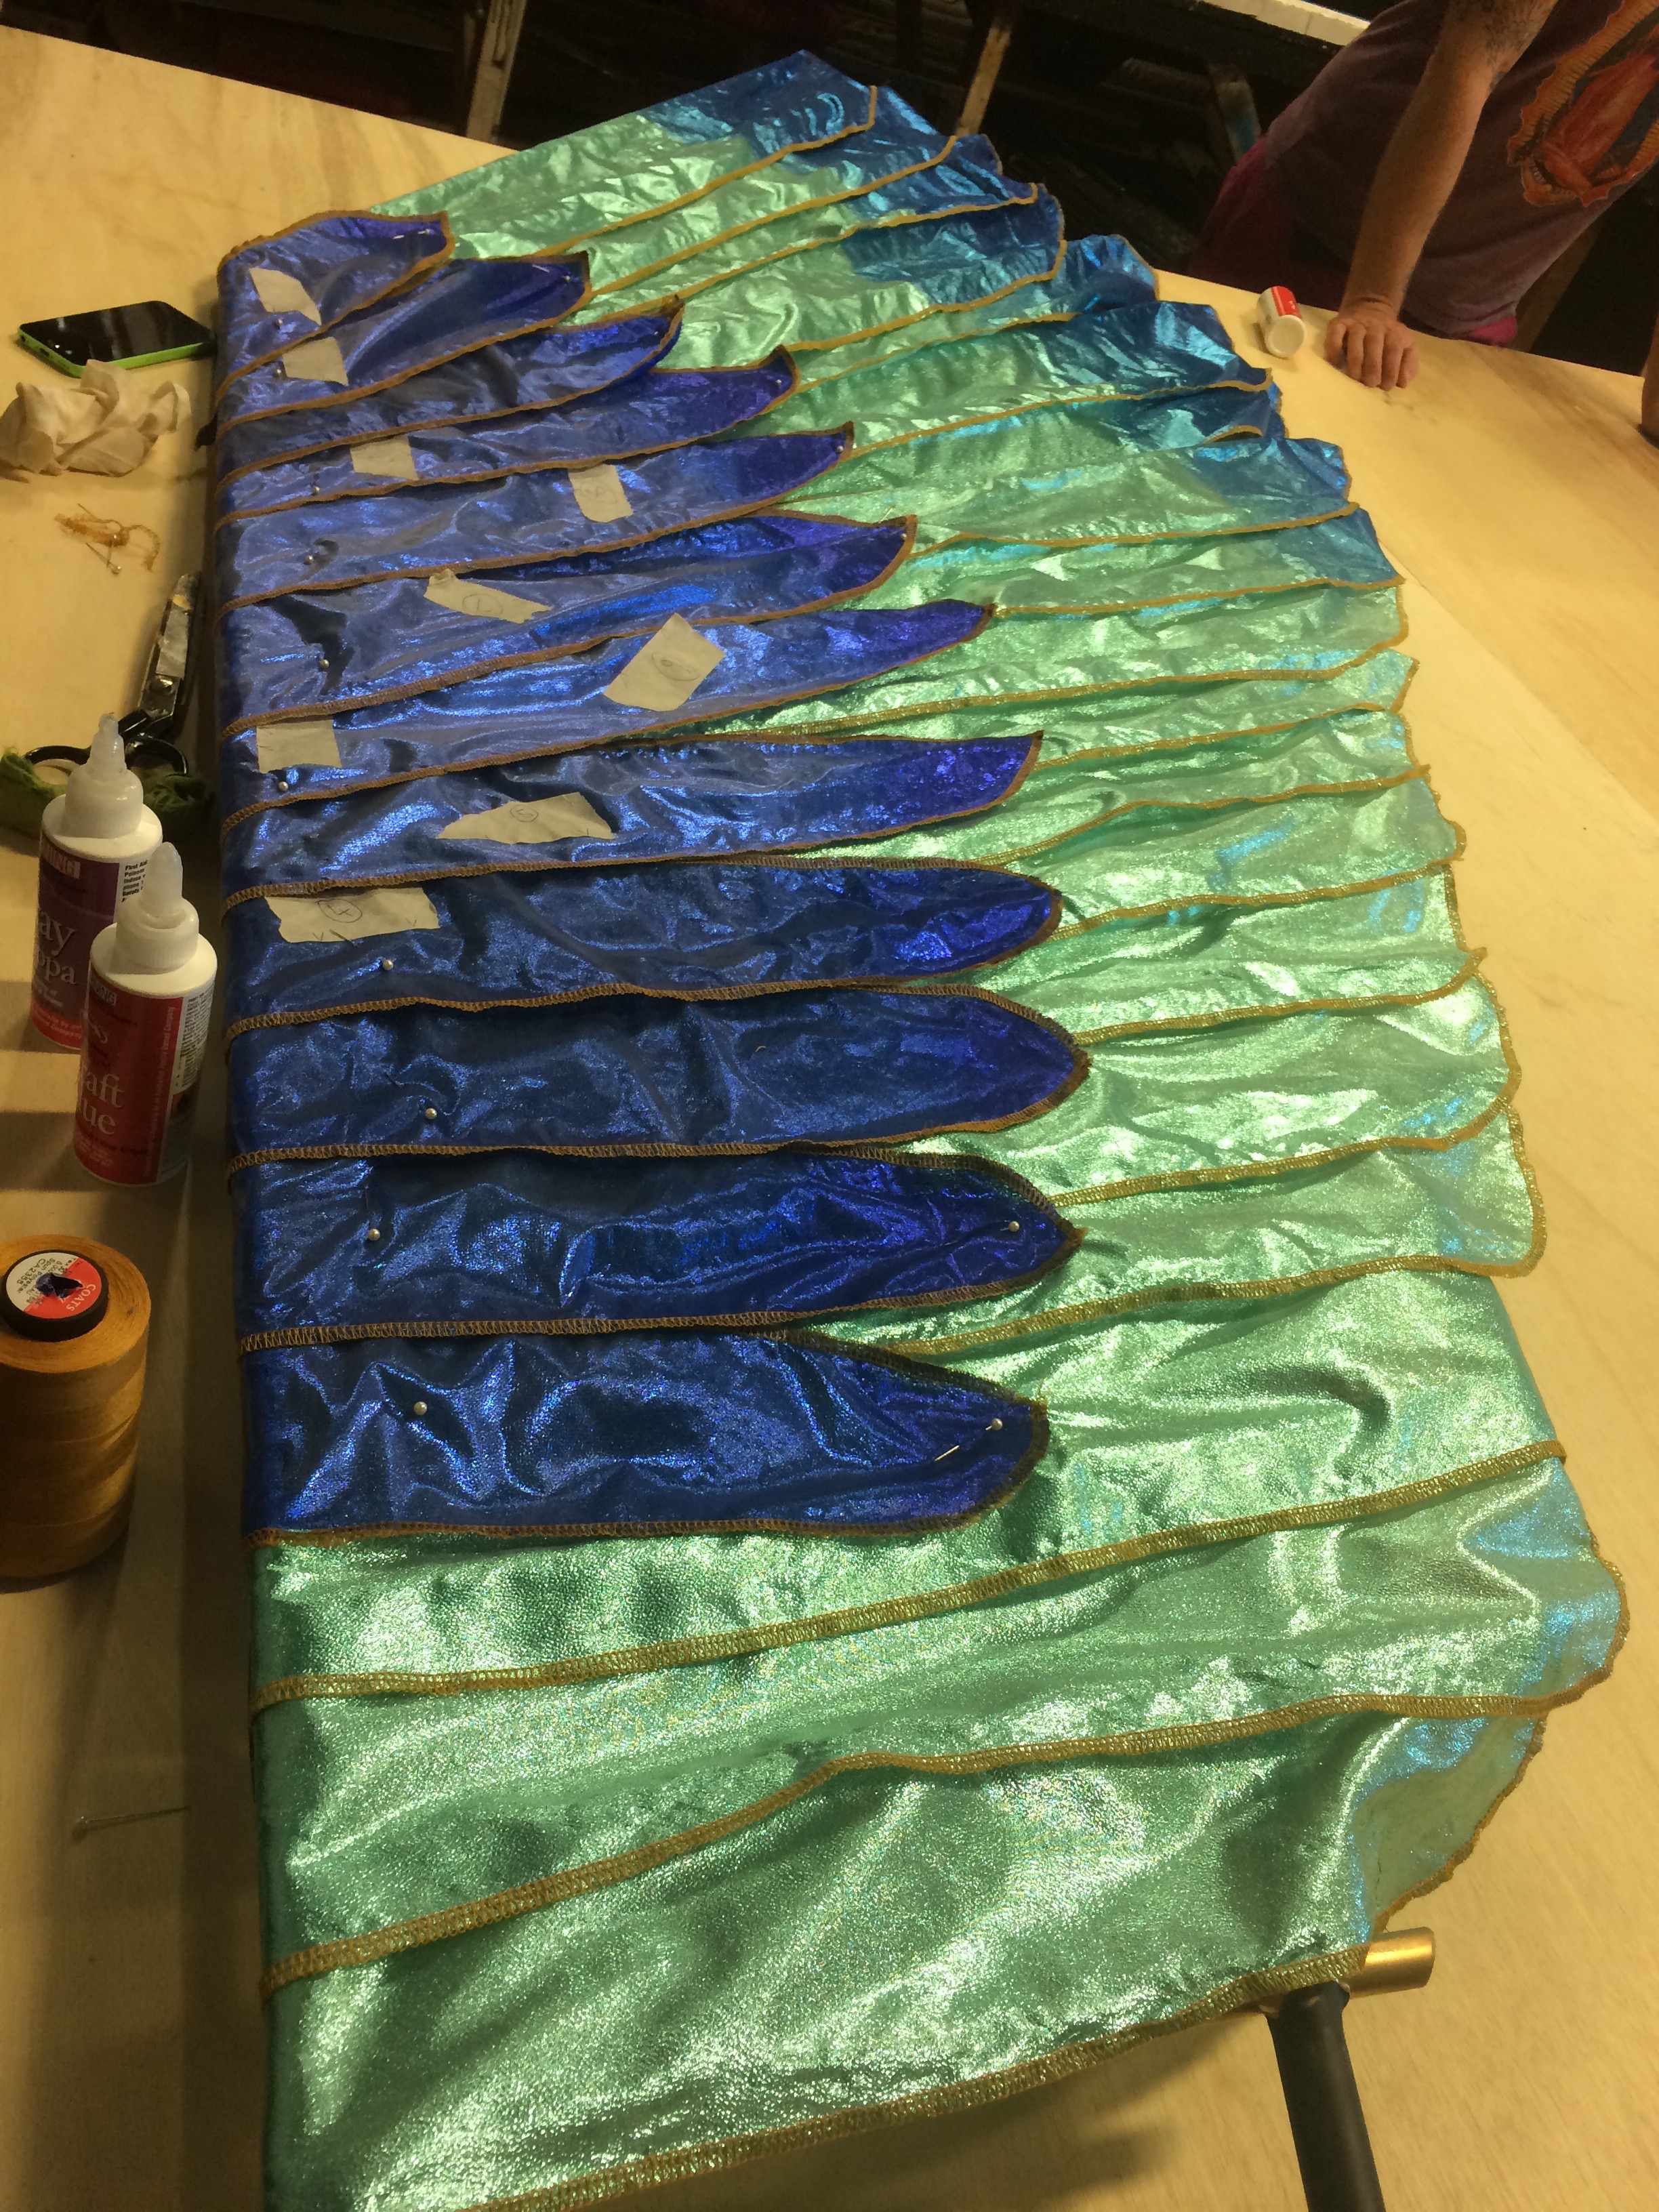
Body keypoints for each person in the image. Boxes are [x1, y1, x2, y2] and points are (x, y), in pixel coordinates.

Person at [1188, 0, 1659, 434]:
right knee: (1204, 429)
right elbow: (1474, 58)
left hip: (1473, 299)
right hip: (1335, 239)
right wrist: (1374, 299)